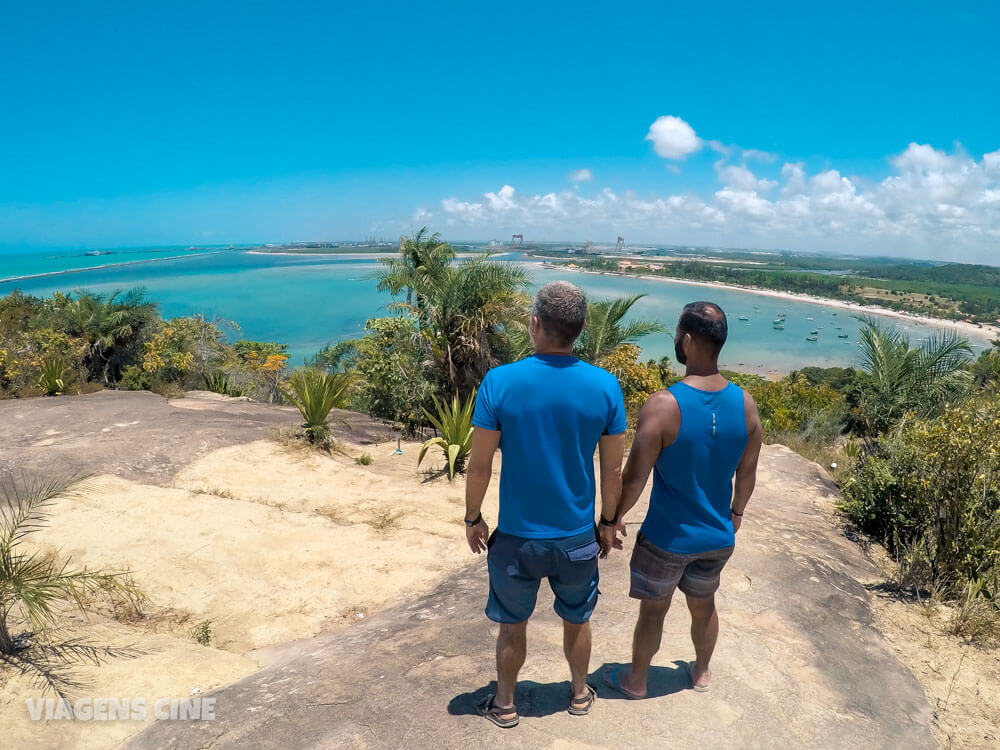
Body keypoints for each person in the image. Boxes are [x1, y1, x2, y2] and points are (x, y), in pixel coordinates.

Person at [464, 281, 627, 728]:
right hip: (576, 538)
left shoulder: (500, 382)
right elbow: (612, 471)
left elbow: (479, 467)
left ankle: (505, 704)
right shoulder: (605, 386)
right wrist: (609, 522)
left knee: (512, 624)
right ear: (579, 330)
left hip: (517, 538)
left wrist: (473, 517)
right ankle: (577, 694)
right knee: (577, 619)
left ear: (535, 324)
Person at [601, 301, 762, 697]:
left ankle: (637, 679)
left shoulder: (663, 405)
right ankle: (701, 672)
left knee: (654, 611)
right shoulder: (746, 404)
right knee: (704, 604)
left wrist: (612, 519)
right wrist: (736, 512)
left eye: (677, 333)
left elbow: (635, 477)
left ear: (687, 340)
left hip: (667, 537)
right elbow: (748, 472)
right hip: (716, 536)